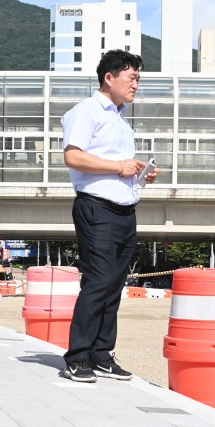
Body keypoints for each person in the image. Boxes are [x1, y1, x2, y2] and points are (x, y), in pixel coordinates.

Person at [59, 49, 159, 383]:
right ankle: (78, 356)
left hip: (125, 210)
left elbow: (116, 166)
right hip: (96, 208)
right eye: (132, 78)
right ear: (109, 77)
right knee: (98, 281)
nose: (136, 85)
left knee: (115, 284)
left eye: (138, 79)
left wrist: (139, 173)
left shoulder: (120, 119)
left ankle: (101, 354)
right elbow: (73, 157)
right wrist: (119, 166)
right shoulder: (86, 111)